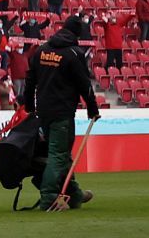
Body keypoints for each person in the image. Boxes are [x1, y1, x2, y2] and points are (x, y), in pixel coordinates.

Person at [22, 15, 101, 211]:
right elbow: (85, 84)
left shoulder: (42, 51)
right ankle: (49, 198)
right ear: (76, 33)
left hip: (44, 113)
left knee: (62, 154)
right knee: (58, 155)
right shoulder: (74, 53)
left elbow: (30, 80)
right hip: (62, 113)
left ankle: (74, 195)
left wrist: (30, 106)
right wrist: (92, 108)